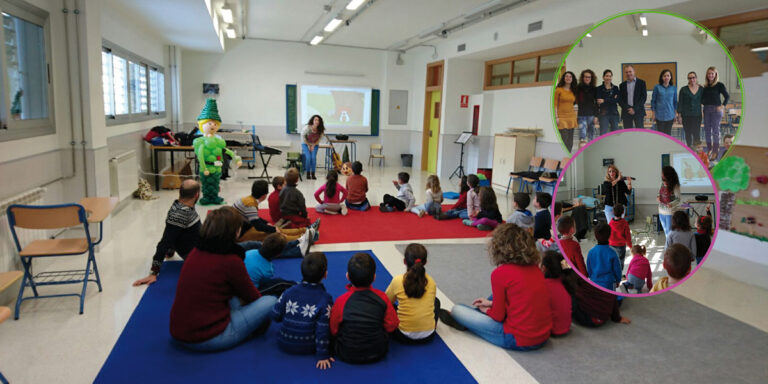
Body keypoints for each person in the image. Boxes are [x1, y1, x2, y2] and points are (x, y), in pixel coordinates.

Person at [169, 207, 278, 351]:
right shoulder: (230, 260)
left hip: (179, 331)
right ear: (235, 231)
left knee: (231, 294)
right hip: (208, 338)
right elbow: (252, 297)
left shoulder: (195, 251)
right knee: (270, 301)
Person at [440, 224, 552, 351]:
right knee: (503, 292)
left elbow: (498, 316)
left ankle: (469, 320)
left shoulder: (500, 273)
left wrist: (486, 310)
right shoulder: (535, 268)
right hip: (543, 336)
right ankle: (474, 318)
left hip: (517, 339)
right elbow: (521, 300)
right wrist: (491, 303)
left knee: (457, 310)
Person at [132, 180, 263, 286]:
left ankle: (274, 247)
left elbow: (175, 233)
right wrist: (154, 272)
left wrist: (170, 252)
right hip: (201, 254)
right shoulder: (180, 213)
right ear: (196, 195)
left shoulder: (180, 205)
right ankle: (276, 248)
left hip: (204, 245)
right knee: (249, 246)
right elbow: (166, 240)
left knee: (248, 246)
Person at [330, 253, 399, 364]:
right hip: (378, 351)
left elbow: (333, 330)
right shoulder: (382, 298)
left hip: (346, 353)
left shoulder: (341, 301)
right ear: (374, 277)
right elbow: (392, 326)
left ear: (347, 276)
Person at [271, 252, 335, 370]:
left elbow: (275, 315)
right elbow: (323, 329)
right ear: (325, 274)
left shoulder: (288, 292)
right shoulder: (325, 298)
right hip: (308, 346)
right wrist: (322, 355)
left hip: (284, 341)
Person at [385, 243, 440, 344]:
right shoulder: (431, 282)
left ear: (405, 261)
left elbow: (386, 301)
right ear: (425, 262)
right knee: (436, 302)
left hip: (403, 335)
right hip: (428, 335)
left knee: (389, 306)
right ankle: (431, 324)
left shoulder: (398, 280)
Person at [235, 179, 309, 242]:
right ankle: (303, 238)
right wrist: (273, 229)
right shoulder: (250, 204)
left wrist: (267, 223)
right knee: (273, 236)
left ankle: (304, 230)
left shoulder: (247, 199)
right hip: (240, 233)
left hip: (242, 228)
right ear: (264, 195)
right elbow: (258, 226)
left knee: (276, 230)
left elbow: (254, 219)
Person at [541, 251, 576, 337]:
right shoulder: (565, 281)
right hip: (565, 327)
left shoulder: (544, 285)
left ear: (544, 268)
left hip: (551, 329)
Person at [701, 66, 730, 157]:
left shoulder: (719, 85)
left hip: (716, 110)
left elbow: (727, 96)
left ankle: (715, 150)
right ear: (707, 75)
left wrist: (722, 106)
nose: (710, 75)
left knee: (715, 131)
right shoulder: (705, 86)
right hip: (706, 109)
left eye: (712, 73)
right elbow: (702, 99)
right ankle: (709, 149)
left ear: (715, 74)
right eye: (709, 73)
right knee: (707, 130)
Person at [586, 222, 621, 291]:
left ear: (596, 236)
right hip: (609, 284)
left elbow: (589, 269)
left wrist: (591, 277)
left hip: (595, 283)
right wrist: (618, 280)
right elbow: (617, 268)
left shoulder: (591, 252)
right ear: (609, 235)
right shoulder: (613, 252)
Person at [677, 71, 703, 147]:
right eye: (690, 78)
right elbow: (680, 103)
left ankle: (697, 151)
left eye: (693, 77)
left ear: (696, 78)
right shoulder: (683, 89)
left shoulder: (701, 89)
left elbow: (705, 99)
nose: (692, 79)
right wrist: (679, 116)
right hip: (686, 115)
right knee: (688, 133)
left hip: (697, 115)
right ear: (688, 79)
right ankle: (689, 149)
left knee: (696, 133)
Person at [555, 71, 578, 153]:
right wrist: (556, 117)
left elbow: (574, 103)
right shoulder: (558, 90)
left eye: (570, 77)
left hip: (571, 117)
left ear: (572, 79)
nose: (568, 78)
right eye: (566, 76)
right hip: (561, 117)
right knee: (564, 140)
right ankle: (563, 156)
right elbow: (555, 104)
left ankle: (568, 157)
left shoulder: (573, 91)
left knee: (570, 142)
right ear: (564, 78)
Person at [650, 69, 678, 135]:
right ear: (662, 77)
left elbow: (675, 102)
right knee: (660, 135)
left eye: (668, 76)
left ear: (670, 77)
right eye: (664, 76)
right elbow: (653, 101)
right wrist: (653, 114)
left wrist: (675, 115)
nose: (666, 77)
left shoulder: (673, 88)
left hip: (670, 115)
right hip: (659, 116)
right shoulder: (657, 87)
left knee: (668, 135)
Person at [576, 69, 599, 143]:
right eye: (585, 77)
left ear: (591, 78)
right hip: (581, 115)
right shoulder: (578, 88)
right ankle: (582, 151)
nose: (587, 78)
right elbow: (574, 101)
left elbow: (596, 103)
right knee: (582, 136)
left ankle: (590, 150)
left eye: (589, 77)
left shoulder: (594, 89)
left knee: (591, 136)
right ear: (582, 78)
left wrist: (596, 116)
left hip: (591, 115)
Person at [607, 203, 632, 271]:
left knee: (612, 260)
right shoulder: (624, 223)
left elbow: (608, 234)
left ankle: (612, 274)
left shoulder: (611, 222)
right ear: (623, 212)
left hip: (611, 245)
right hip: (621, 246)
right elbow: (628, 235)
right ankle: (619, 275)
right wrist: (630, 246)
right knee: (620, 261)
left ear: (613, 212)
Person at [658, 165, 681, 236]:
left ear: (668, 175)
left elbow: (678, 199)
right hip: (661, 211)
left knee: (669, 233)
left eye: (663, 173)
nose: (661, 175)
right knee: (666, 232)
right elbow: (658, 193)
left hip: (670, 212)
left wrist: (671, 204)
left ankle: (670, 246)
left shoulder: (675, 185)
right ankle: (669, 246)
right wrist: (658, 197)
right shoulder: (661, 183)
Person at [596, 69, 621, 134]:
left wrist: (604, 100)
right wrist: (612, 99)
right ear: (603, 77)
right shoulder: (599, 88)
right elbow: (599, 101)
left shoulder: (615, 88)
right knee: (603, 134)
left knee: (615, 134)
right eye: (607, 76)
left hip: (614, 113)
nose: (608, 78)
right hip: (603, 114)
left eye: (610, 76)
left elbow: (617, 100)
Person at [301, 115, 326, 180]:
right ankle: (308, 173)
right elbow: (303, 137)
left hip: (314, 144)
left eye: (318, 120)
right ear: (312, 121)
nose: (317, 121)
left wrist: (313, 145)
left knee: (313, 158)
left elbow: (319, 139)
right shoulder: (307, 128)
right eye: (315, 120)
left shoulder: (320, 129)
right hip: (305, 143)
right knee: (308, 157)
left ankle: (313, 174)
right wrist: (309, 145)